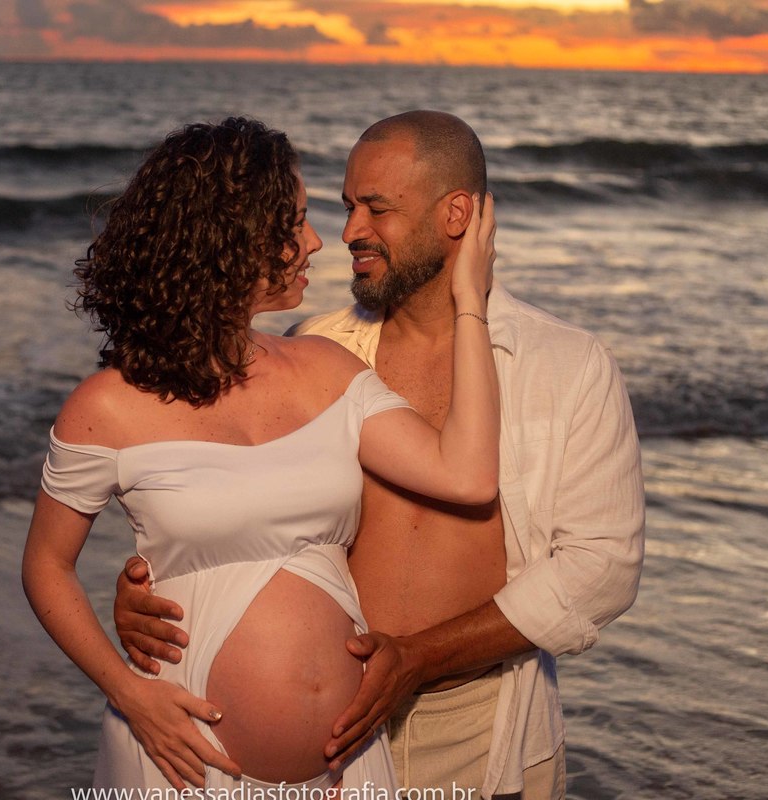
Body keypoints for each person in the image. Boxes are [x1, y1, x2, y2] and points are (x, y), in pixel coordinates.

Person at [114, 111, 645, 799]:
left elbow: (602, 568)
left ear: (456, 214)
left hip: (482, 728)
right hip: (323, 735)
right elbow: (225, 502)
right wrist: (156, 590)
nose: (349, 232)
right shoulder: (316, 350)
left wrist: (420, 658)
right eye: (347, 207)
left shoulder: (566, 365)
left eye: (377, 209)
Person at [21, 116, 503, 794]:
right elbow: (46, 565)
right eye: (295, 222)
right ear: (231, 238)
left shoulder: (327, 368)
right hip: (182, 760)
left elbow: (468, 475)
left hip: (347, 770)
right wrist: (129, 693)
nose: (317, 242)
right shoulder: (108, 407)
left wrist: (468, 300)